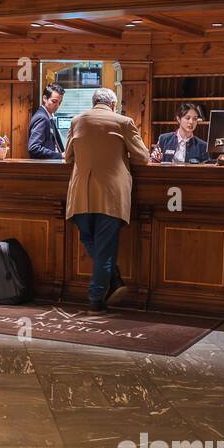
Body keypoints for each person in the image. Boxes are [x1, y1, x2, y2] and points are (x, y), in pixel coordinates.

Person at [64, 87, 151, 311]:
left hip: (81, 194)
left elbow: (67, 158)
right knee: (104, 247)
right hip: (111, 195)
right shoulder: (123, 122)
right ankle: (97, 297)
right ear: (113, 104)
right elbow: (143, 158)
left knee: (89, 239)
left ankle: (111, 281)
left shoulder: (77, 121)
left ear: (94, 103)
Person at [27, 85, 65, 159]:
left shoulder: (47, 116)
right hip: (46, 167)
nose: (57, 106)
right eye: (54, 101)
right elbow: (34, 148)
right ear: (44, 98)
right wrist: (60, 155)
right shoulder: (42, 118)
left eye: (60, 103)